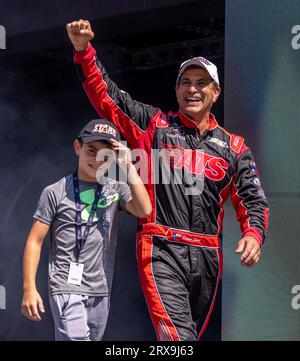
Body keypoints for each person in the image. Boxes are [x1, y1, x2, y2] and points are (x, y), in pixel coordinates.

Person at [66, 20, 270, 341]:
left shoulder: (233, 146)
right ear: (176, 90)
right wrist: (84, 51)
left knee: (183, 340)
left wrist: (254, 235)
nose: (192, 89)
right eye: (185, 82)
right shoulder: (154, 125)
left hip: (207, 255)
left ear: (216, 92)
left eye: (202, 83)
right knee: (179, 339)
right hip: (161, 246)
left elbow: (253, 199)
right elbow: (108, 96)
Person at [21, 118, 152, 341]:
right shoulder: (55, 191)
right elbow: (34, 241)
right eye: (91, 150)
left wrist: (129, 166)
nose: (97, 159)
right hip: (65, 285)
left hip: (101, 289)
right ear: (77, 147)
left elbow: (144, 209)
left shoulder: (116, 188)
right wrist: (29, 289)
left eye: (105, 154)